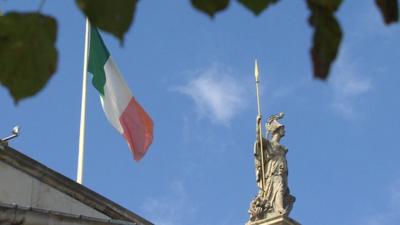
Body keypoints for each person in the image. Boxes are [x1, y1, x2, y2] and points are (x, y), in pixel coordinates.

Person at [249, 113, 295, 221]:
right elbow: (258, 138)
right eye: (282, 128)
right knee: (279, 188)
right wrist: (258, 123)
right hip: (273, 172)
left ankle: (278, 207)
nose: (284, 131)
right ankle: (279, 208)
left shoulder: (282, 148)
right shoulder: (270, 144)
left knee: (282, 189)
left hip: (282, 172)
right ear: (277, 130)